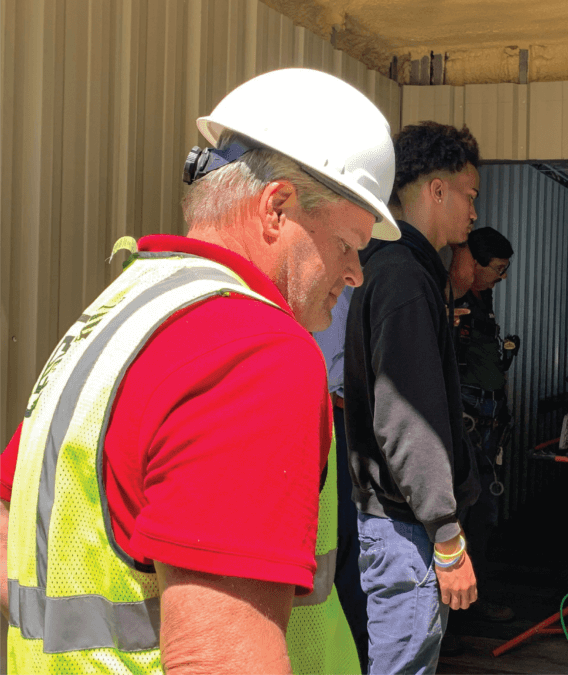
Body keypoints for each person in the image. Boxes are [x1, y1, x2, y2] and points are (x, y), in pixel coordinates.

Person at [0, 68, 399, 675]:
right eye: (348, 244)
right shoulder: (254, 352)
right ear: (276, 208)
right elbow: (221, 659)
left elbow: (13, 527)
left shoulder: (113, 317)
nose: (355, 275)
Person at [344, 121, 482, 674]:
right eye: (469, 196)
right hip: (407, 534)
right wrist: (447, 539)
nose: (474, 213)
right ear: (437, 190)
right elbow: (408, 423)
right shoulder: (404, 279)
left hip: (400, 529)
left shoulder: (400, 269)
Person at [450, 228, 520, 624]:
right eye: (498, 268)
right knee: (463, 514)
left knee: (486, 514)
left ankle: (476, 602)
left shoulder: (483, 299)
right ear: (473, 263)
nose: (502, 276)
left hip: (489, 423)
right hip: (466, 424)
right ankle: (454, 618)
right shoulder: (449, 301)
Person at [312, 286, 369, 672]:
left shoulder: (347, 287)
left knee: (348, 550)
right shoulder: (327, 293)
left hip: (348, 423)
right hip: (334, 418)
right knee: (341, 545)